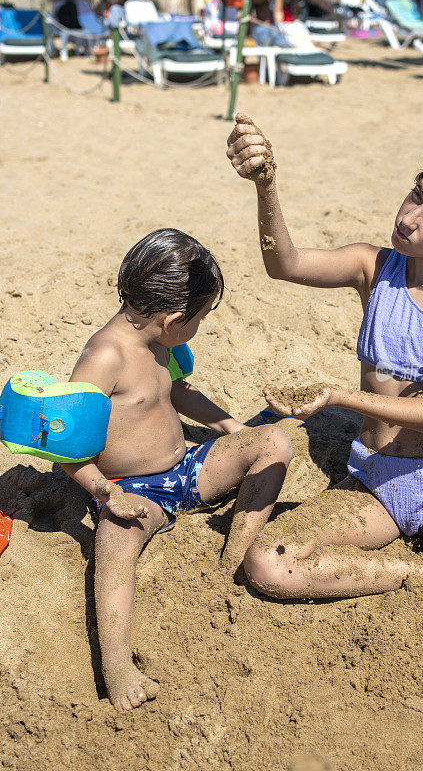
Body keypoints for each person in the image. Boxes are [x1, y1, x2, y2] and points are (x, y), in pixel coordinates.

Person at [226, 114, 423, 660]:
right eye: (415, 195)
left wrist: (338, 397)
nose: (409, 217)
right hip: (374, 479)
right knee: (269, 562)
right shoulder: (376, 266)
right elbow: (285, 264)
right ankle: (414, 572)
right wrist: (266, 183)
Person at [61, 229, 293, 712]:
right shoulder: (105, 357)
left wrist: (230, 426)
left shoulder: (158, 342)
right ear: (172, 320)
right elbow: (66, 447)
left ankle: (234, 556)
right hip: (135, 490)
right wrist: (103, 492)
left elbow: (179, 392)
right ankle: (118, 664)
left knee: (274, 440)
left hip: (187, 467)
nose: (201, 327)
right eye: (201, 319)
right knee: (113, 545)